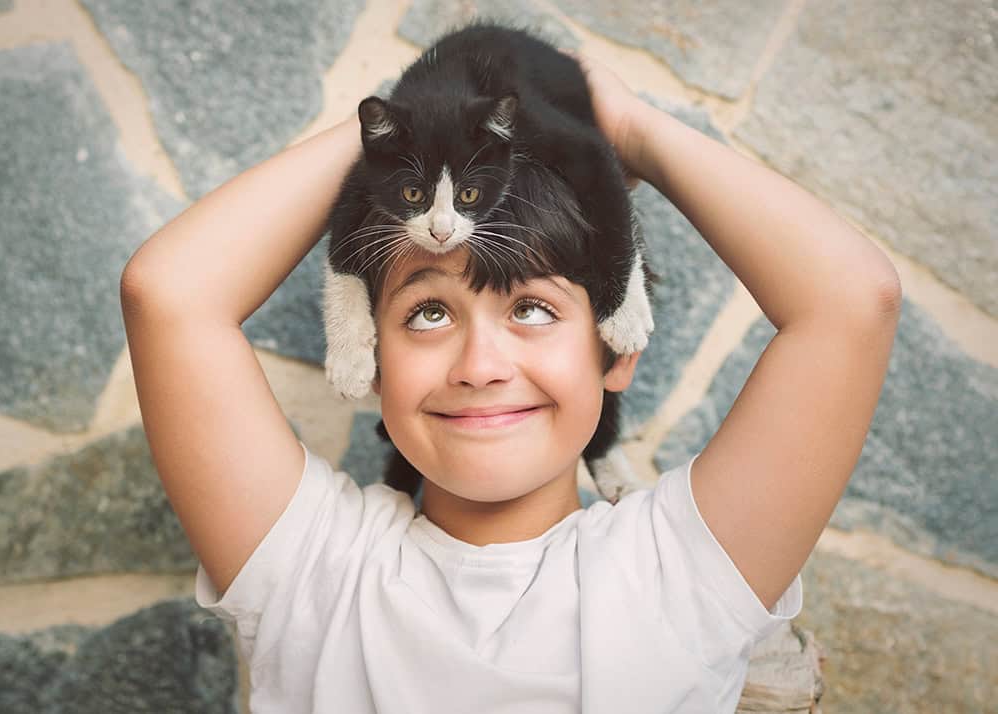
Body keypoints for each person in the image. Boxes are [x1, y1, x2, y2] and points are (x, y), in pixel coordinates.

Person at [119, 51, 901, 713]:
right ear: (371, 357)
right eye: (428, 314)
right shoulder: (315, 572)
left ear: (615, 349)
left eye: (531, 308)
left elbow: (850, 302)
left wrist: (623, 130)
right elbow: (169, 295)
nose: (480, 364)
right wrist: (403, 134)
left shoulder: (683, 569)